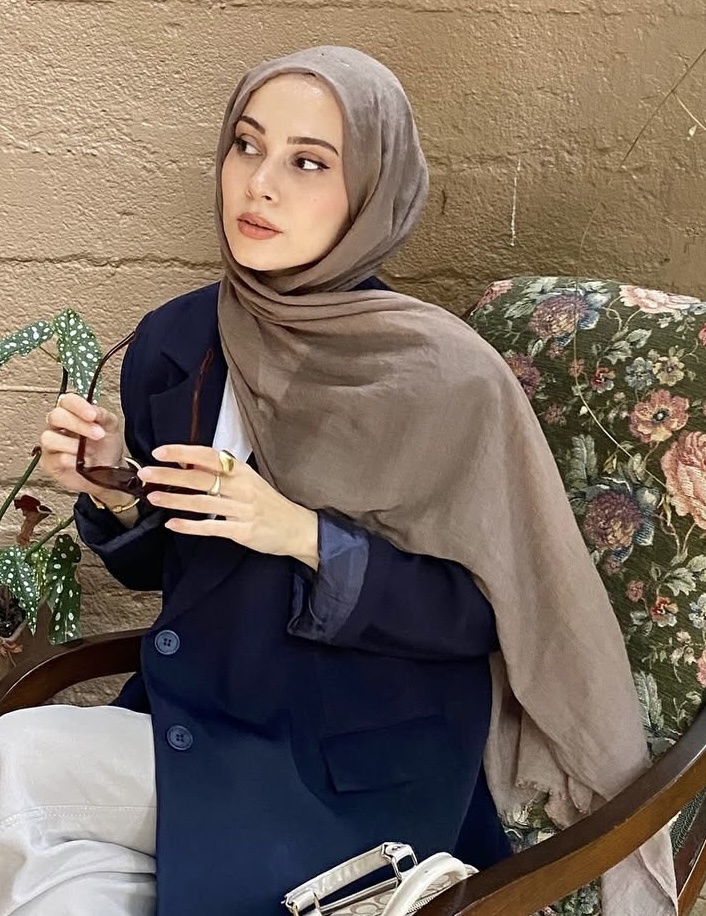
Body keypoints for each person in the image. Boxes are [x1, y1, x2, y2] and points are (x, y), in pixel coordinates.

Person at [0, 46, 675, 916]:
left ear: (372, 192)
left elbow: (484, 616)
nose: (260, 185)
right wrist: (112, 492)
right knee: (60, 897)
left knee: (10, 770)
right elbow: (182, 571)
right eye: (247, 146)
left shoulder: (443, 377)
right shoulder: (180, 341)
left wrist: (303, 535)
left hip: (350, 766)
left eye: (308, 162)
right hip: (195, 721)